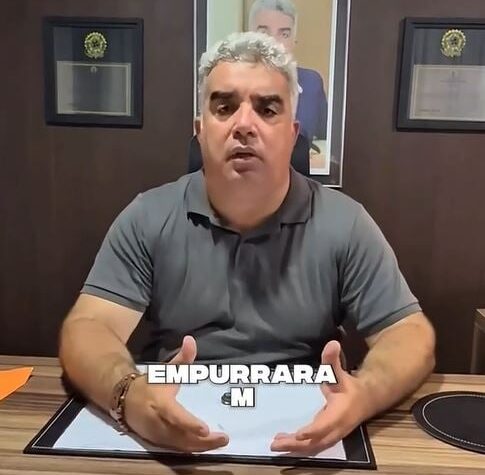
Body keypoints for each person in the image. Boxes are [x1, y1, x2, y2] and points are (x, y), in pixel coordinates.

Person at [59, 31, 435, 455]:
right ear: (200, 130)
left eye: (267, 109)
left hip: (304, 423)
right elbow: (87, 329)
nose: (243, 125)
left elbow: (409, 335)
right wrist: (129, 397)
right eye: (224, 107)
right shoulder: (148, 216)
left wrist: (364, 394)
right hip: (170, 414)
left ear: (293, 134)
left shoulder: (345, 223)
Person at [248, 0, 328, 144]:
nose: (274, 42)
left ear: (294, 41)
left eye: (284, 34)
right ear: (248, 38)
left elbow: (325, 142)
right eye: (264, 33)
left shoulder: (312, 83)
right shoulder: (232, 83)